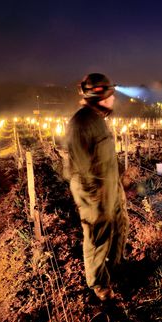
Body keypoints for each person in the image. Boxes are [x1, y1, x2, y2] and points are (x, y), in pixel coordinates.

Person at [64, 72, 129, 301]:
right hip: (95, 193)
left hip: (110, 188)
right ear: (100, 96)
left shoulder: (97, 120)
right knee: (97, 236)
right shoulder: (81, 123)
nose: (113, 99)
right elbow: (81, 168)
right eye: (111, 94)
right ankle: (99, 284)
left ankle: (116, 268)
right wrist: (96, 198)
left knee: (120, 226)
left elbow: (104, 159)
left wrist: (118, 185)